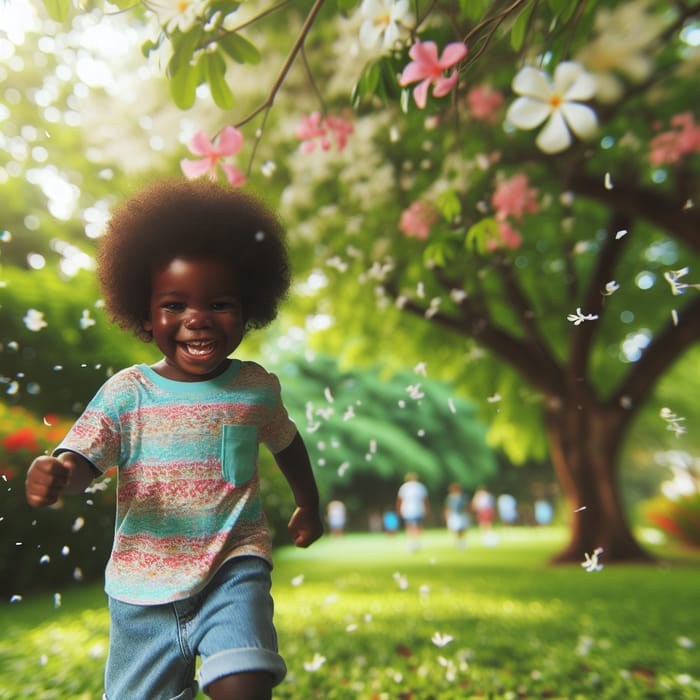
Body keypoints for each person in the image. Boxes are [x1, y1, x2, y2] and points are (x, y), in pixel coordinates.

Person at [25, 179, 324, 700]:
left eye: (220, 303)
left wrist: (308, 503)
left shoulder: (255, 389)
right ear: (145, 313)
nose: (197, 318)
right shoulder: (127, 393)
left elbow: (288, 443)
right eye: (174, 304)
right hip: (141, 592)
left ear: (250, 306)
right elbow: (84, 460)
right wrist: (58, 472)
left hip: (233, 568)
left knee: (244, 678)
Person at [396, 472, 429, 551]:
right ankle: (412, 541)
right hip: (409, 510)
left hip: (415, 509)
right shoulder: (406, 487)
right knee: (411, 526)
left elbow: (424, 499)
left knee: (414, 526)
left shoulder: (419, 487)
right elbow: (400, 500)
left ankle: (415, 541)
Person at [443, 483, 470, 548]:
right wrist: (447, 516)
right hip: (454, 515)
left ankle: (462, 542)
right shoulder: (450, 497)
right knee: (455, 529)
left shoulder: (463, 497)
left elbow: (466, 506)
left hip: (462, 514)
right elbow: (448, 507)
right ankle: (458, 542)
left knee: (462, 529)